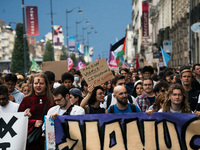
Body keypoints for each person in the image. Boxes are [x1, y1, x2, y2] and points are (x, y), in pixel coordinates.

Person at [18, 73, 54, 150]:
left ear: (46, 85)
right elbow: (18, 119)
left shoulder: (52, 99)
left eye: (41, 83)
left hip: (49, 137)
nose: (38, 86)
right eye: (36, 83)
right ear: (32, 85)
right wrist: (33, 122)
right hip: (32, 138)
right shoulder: (26, 100)